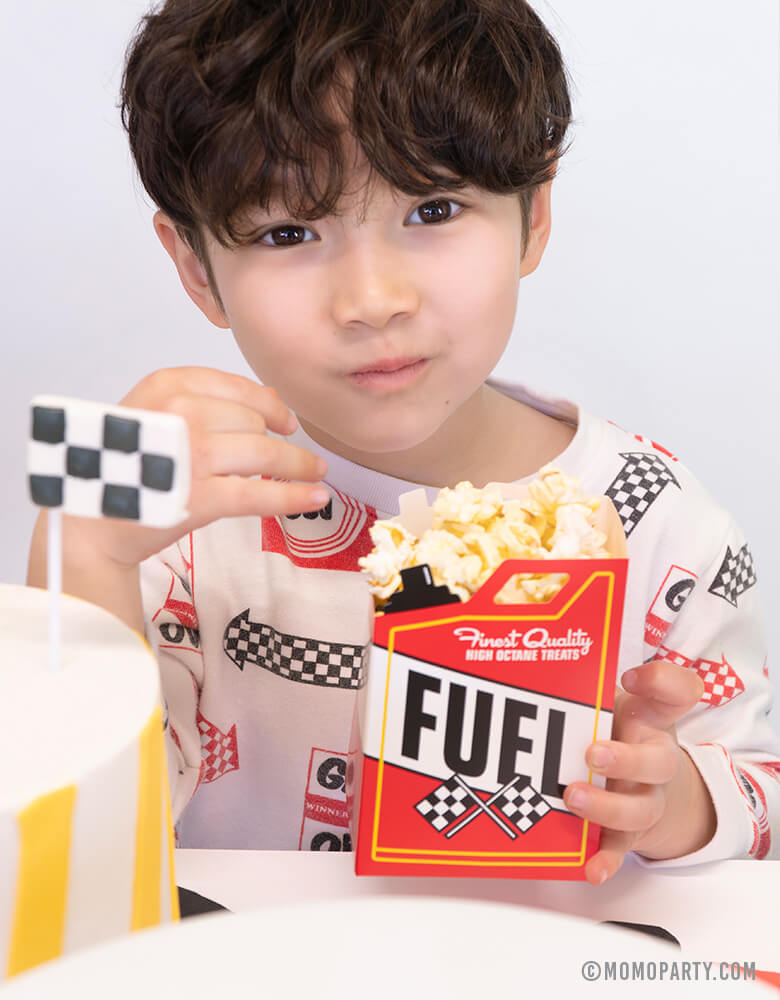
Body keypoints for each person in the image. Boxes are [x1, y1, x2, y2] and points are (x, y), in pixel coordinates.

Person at [27, 0, 779, 883]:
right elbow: (71, 852)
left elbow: (758, 797)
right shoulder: (171, 511)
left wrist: (673, 802)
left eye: (434, 209)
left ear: (533, 216)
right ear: (197, 270)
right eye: (288, 232)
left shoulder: (656, 517)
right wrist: (81, 550)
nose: (373, 299)